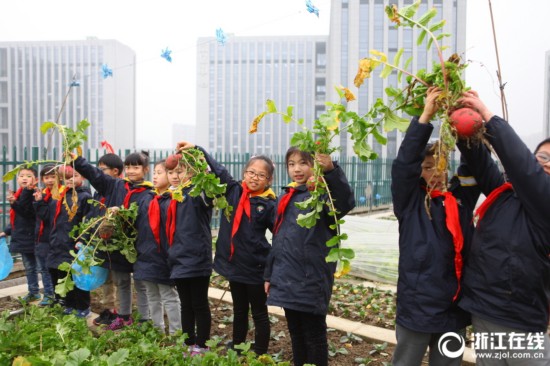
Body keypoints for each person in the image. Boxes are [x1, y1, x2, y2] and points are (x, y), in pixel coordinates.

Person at [456, 90, 550, 364]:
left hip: (522, 320)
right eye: (543, 157)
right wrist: (466, 130)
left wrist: (488, 117)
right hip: (485, 311)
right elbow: (482, 165)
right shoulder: (504, 194)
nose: (546, 165)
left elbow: (524, 169)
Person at [390, 87, 480, 366]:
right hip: (417, 306)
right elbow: (404, 164)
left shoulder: (461, 198)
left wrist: (468, 121)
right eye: (428, 166)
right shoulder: (410, 200)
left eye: (440, 165)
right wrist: (426, 116)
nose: (435, 172)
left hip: (454, 307)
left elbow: (474, 166)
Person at [177, 141, 277, 355]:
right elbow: (217, 168)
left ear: (269, 180)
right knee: (239, 310)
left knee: (259, 312)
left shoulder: (268, 204)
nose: (254, 177)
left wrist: (272, 268)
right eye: (251, 172)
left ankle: (260, 353)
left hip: (256, 267)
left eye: (261, 175)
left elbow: (279, 234)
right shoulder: (233, 191)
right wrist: (196, 149)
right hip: (235, 265)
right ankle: (238, 347)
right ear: (244, 172)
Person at [264, 147, 355, 366]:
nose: (297, 169)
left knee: (314, 336)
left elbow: (345, 202)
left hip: (311, 278)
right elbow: (278, 240)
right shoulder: (286, 196)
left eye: (303, 163)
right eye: (292, 164)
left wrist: (331, 170)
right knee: (295, 332)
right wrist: (270, 274)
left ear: (314, 165)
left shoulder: (323, 195)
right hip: (286, 277)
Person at [72, 151, 153, 329]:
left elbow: (144, 218)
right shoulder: (116, 185)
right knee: (122, 282)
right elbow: (96, 175)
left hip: (137, 247)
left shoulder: (149, 193)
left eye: (136, 167)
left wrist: (123, 214)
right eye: (129, 167)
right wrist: (77, 160)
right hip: (117, 247)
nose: (132, 171)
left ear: (145, 169)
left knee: (141, 284)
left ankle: (145, 319)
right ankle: (124, 317)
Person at [164, 157, 213, 356]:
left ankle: (201, 345)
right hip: (178, 258)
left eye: (181, 171)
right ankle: (188, 343)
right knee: (186, 304)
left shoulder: (198, 193)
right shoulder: (171, 197)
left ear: (192, 172)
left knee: (199, 303)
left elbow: (210, 187)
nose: (175, 176)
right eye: (172, 172)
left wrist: (203, 165)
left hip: (197, 258)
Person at [35, 168, 92, 317]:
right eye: (67, 177)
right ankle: (68, 304)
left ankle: (83, 307)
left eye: (75, 176)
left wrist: (82, 240)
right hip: (57, 242)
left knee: (76, 277)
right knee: (60, 274)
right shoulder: (59, 196)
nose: (70, 180)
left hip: (73, 244)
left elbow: (88, 222)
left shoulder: (84, 197)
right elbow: (48, 218)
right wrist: (40, 202)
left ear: (83, 178)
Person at [86, 153, 131, 327]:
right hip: (102, 243)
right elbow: (92, 216)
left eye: (102, 170)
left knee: (120, 281)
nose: (99, 173)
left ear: (115, 171)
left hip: (116, 244)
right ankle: (109, 310)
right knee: (106, 279)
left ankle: (121, 313)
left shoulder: (121, 189)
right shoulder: (98, 194)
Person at [139, 160, 182, 335]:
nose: (155, 176)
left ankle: (175, 334)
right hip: (146, 254)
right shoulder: (148, 198)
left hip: (164, 255)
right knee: (152, 295)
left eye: (160, 172)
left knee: (168, 296)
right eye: (154, 172)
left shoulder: (175, 199)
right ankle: (157, 330)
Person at [0, 168, 40, 303]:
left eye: (29, 176)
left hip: (35, 236)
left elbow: (28, 213)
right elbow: (17, 218)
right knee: (29, 267)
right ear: (17, 179)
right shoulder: (20, 193)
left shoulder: (34, 193)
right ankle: (33, 292)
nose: (24, 178)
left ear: (36, 180)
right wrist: (6, 231)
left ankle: (50, 295)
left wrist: (14, 203)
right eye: (21, 176)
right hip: (23, 237)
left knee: (43, 268)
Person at [32, 164, 62, 306]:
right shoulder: (43, 194)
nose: (50, 180)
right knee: (44, 268)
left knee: (52, 269)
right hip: (42, 237)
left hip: (52, 238)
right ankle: (50, 295)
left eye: (53, 177)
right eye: (46, 177)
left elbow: (48, 216)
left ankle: (54, 296)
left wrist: (39, 203)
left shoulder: (59, 195)